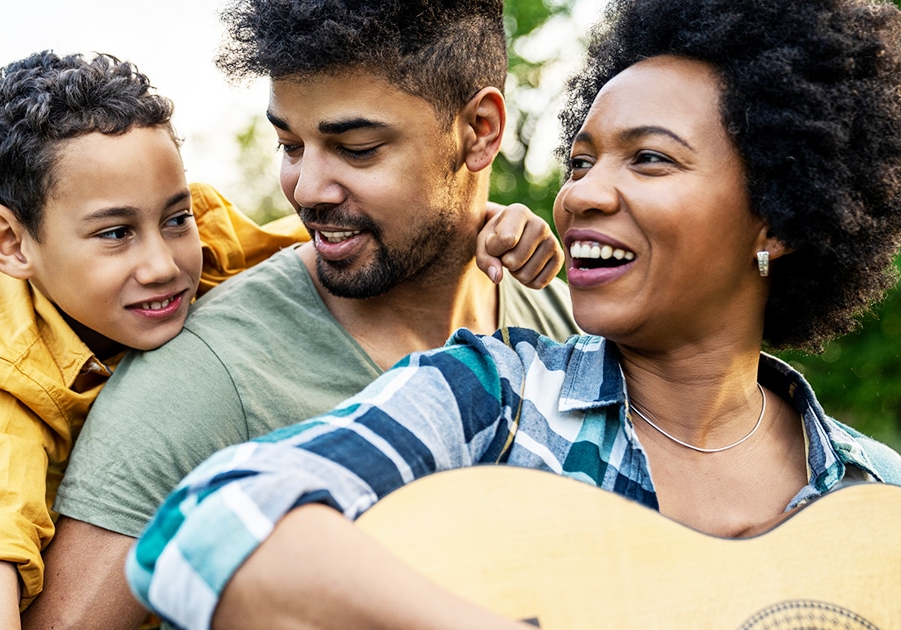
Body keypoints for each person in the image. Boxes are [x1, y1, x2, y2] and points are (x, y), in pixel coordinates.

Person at [126, 0, 901, 627]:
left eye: (650, 158)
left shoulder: (875, 496)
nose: (582, 195)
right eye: (581, 160)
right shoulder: (489, 395)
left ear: (780, 217)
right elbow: (202, 525)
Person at [26, 0, 581, 626]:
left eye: (357, 148)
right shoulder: (206, 378)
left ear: (479, 129)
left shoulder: (565, 332)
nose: (307, 189)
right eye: (290, 143)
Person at [0, 50, 312, 628]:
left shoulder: (204, 238)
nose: (162, 264)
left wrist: (477, 222)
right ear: (10, 241)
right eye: (115, 233)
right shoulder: (4, 368)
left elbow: (311, 241)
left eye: (175, 219)